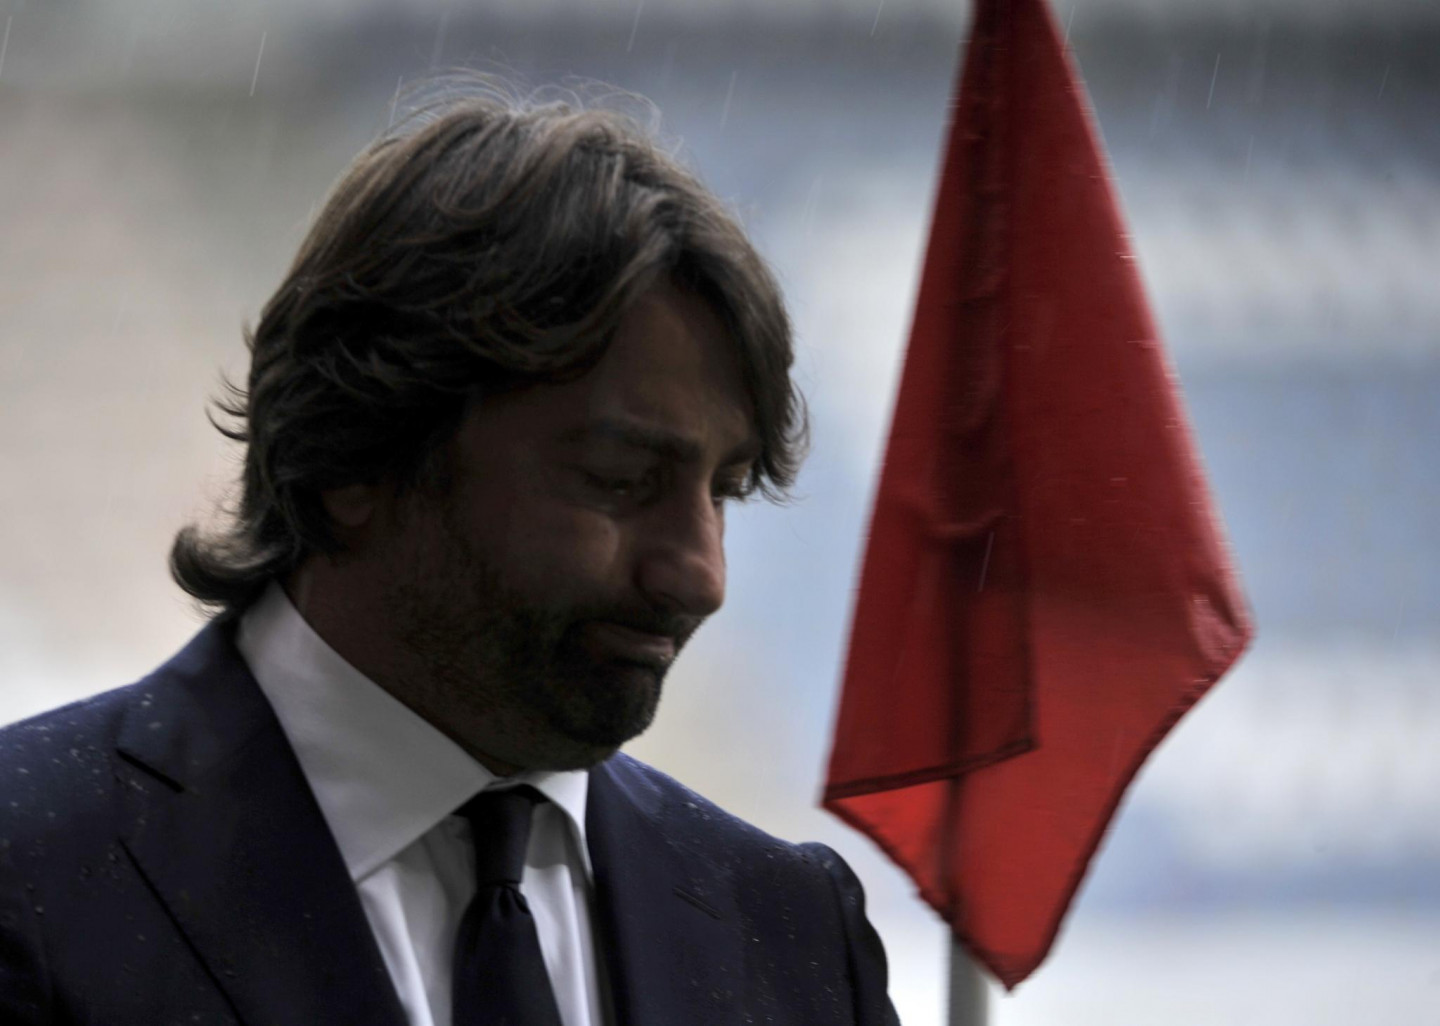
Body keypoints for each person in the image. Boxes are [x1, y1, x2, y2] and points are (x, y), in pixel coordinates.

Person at [0, 87, 899, 1025]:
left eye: (724, 492)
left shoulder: (794, 933)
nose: (701, 576)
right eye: (619, 479)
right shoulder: (30, 879)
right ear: (358, 454)